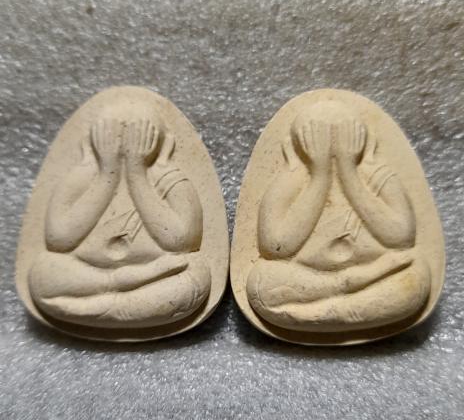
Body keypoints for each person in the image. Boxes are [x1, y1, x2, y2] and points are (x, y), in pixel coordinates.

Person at [247, 101, 430, 332]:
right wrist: (320, 175)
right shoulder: (291, 180)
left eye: (345, 133)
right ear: (297, 143)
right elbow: (277, 247)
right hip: (311, 279)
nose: (331, 143)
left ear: (363, 139)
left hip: (380, 273)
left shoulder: (377, 175)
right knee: (261, 281)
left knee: (415, 275)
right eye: (316, 134)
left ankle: (329, 313)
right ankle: (344, 300)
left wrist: (348, 171)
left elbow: (401, 237)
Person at [29, 105, 211, 329]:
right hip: (88, 276)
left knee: (195, 271)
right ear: (93, 139)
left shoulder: (168, 178)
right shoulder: (82, 177)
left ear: (162, 143)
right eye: (110, 133)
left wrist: (137, 172)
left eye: (141, 135)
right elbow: (59, 240)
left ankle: (92, 307)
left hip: (157, 277)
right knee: (43, 272)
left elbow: (181, 242)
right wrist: (108, 173)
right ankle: (117, 295)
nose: (125, 143)